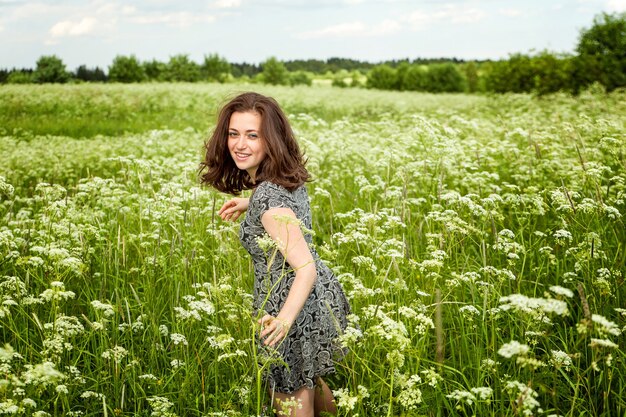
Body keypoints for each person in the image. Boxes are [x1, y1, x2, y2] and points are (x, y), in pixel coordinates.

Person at [199, 92, 352, 417]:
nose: (239, 144)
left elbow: (304, 268)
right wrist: (250, 202)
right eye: (233, 133)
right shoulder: (283, 178)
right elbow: (278, 205)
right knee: (310, 379)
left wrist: (282, 321)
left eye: (252, 135)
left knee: (289, 398)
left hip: (288, 306)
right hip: (318, 299)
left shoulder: (269, 201)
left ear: (272, 140)